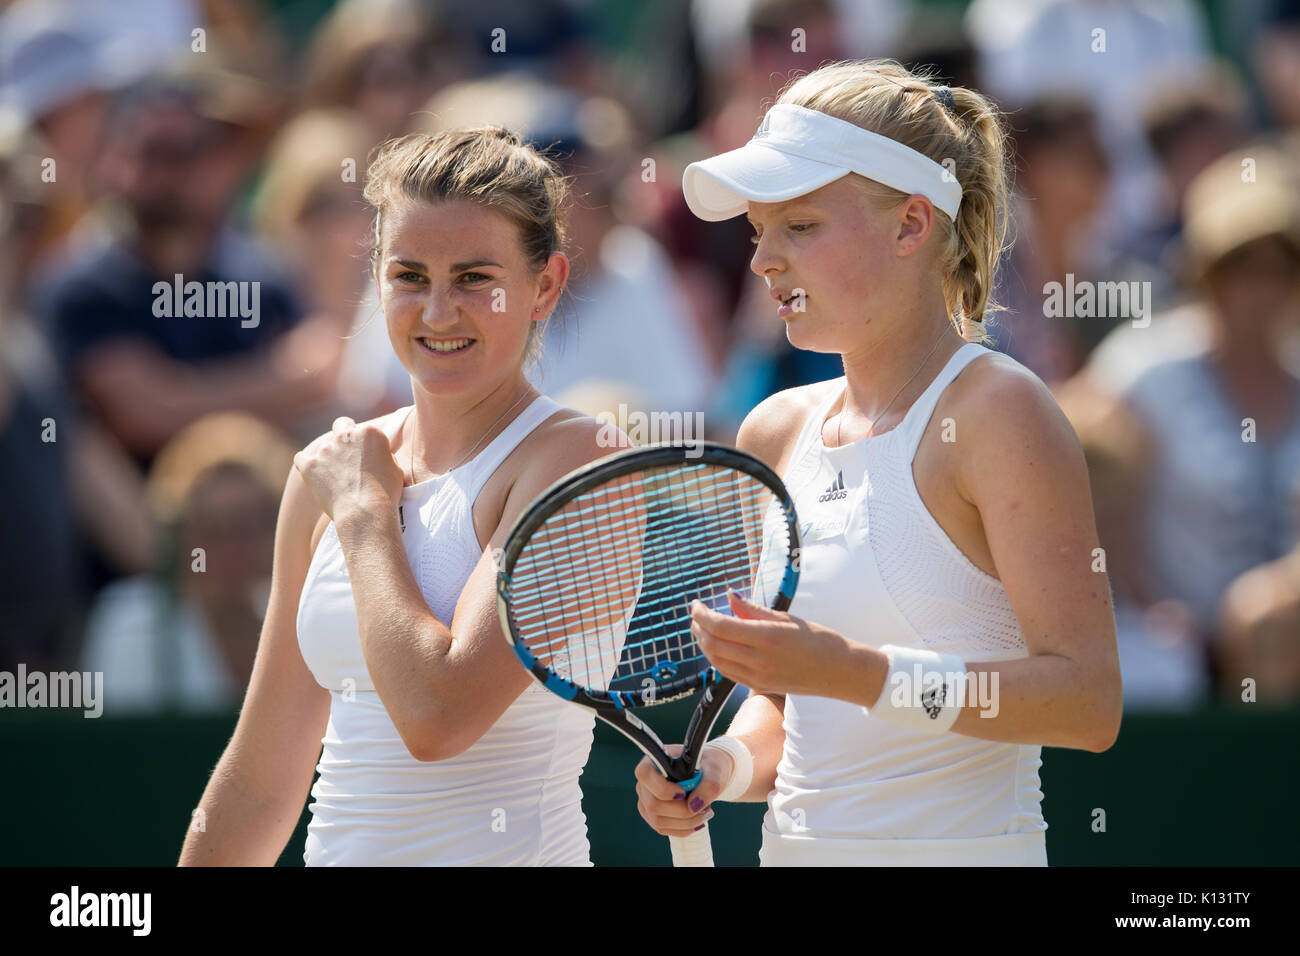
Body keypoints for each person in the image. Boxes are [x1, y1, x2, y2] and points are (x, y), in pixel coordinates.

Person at [633, 60, 1121, 866]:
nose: (762, 261)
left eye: (800, 225)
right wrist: (721, 765)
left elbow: (1085, 703)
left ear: (911, 225)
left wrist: (856, 672)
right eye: (760, 230)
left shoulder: (1001, 413)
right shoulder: (773, 432)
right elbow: (791, 717)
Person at [180, 127, 612, 866]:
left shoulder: (581, 461)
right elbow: (260, 780)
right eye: (409, 275)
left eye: (475, 278)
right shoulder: (334, 472)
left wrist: (364, 514)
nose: (438, 311)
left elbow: (437, 715)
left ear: (545, 285)